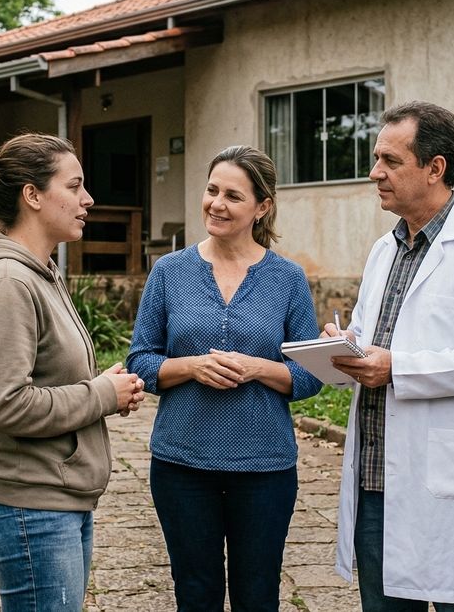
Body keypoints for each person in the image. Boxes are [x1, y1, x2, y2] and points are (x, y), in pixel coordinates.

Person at [323, 101, 454, 611]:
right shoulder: (383, 250)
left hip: (448, 479)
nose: (376, 173)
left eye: (391, 161)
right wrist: (344, 349)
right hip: (376, 478)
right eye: (377, 159)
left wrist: (397, 367)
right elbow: (374, 341)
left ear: (435, 168)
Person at [126, 145, 324, 611]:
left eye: (233, 195)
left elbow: (311, 374)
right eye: (212, 190)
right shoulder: (169, 272)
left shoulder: (288, 278)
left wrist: (257, 368)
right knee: (196, 594)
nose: (216, 203)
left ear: (262, 207)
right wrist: (192, 366)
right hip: (181, 465)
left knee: (258, 596)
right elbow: (140, 361)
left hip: (264, 468)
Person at [0, 133, 146, 611]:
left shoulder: (38, 273)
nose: (88, 199)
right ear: (33, 195)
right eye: (75, 186)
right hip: (29, 508)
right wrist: (102, 394)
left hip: (54, 501)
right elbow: (5, 404)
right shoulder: (7, 282)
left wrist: (106, 387)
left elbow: (42, 378)